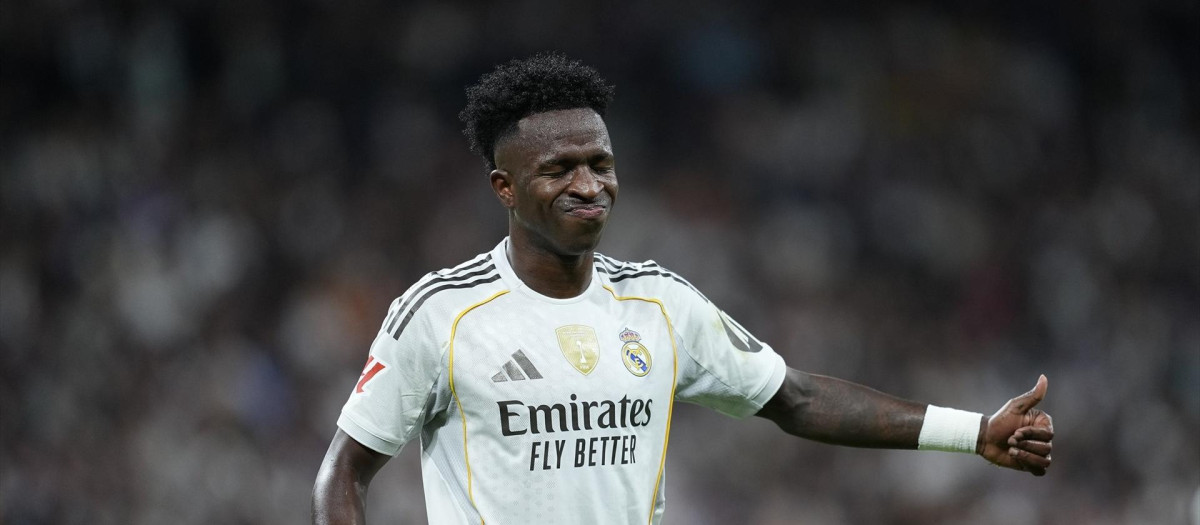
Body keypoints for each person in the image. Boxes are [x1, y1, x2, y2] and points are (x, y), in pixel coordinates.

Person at [311, 52, 1054, 525]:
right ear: (504, 186)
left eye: (599, 162)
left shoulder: (660, 304)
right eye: (559, 168)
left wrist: (975, 430)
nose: (588, 184)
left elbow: (793, 398)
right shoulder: (442, 311)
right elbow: (342, 474)